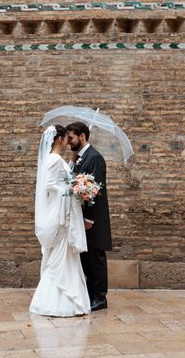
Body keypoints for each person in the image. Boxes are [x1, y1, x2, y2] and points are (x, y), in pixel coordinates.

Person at [29, 125, 91, 317]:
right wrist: (72, 189)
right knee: (62, 255)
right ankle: (59, 302)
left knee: (65, 256)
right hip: (61, 216)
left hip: (62, 212)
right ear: (58, 139)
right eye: (65, 139)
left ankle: (60, 300)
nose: (67, 142)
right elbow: (50, 186)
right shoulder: (54, 160)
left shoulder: (55, 159)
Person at [66, 121, 112, 312]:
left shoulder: (96, 158)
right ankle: (91, 295)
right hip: (82, 218)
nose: (68, 141)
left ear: (82, 136)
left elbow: (95, 191)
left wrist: (89, 219)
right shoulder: (80, 157)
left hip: (92, 220)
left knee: (96, 259)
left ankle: (100, 298)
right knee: (87, 259)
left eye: (71, 137)